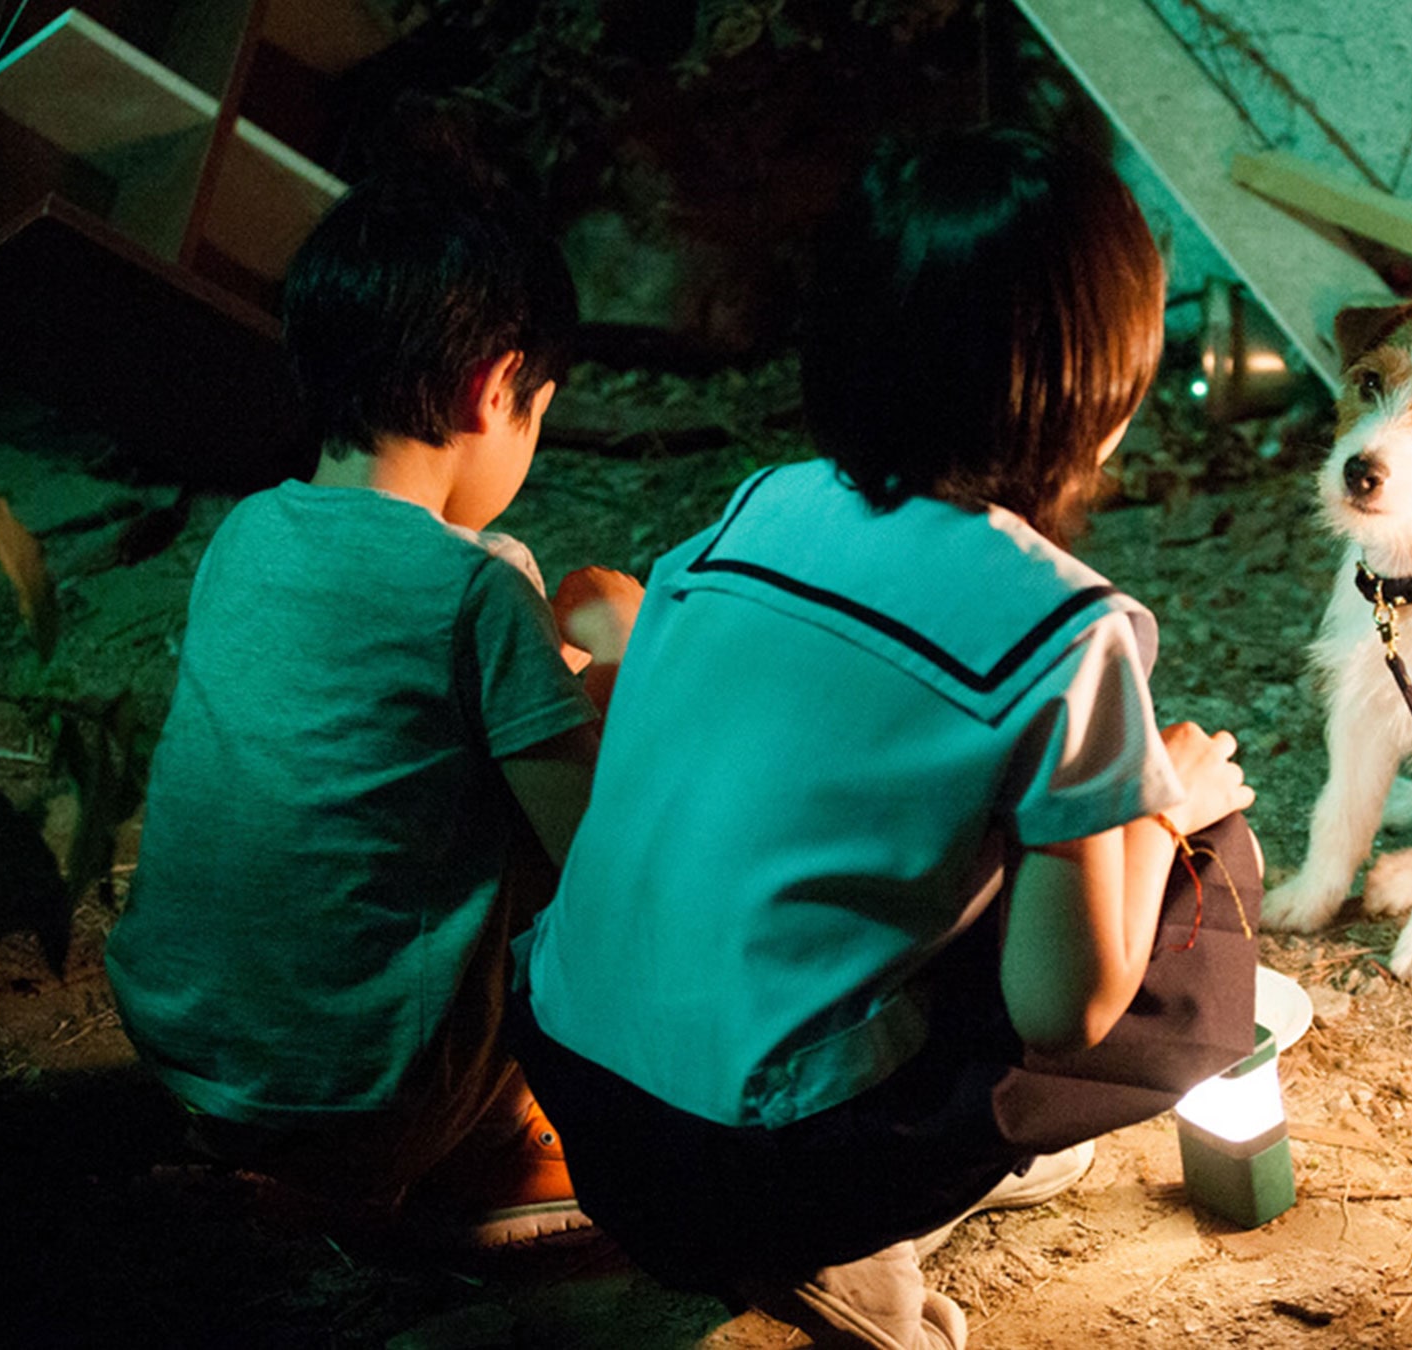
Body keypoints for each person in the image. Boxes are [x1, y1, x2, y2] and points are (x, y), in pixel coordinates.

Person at [512, 126, 1262, 1348]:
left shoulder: (754, 511)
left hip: (582, 1092)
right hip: (754, 1165)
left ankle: (853, 1195)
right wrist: (1160, 807)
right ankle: (850, 1242)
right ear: (1100, 383)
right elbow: (1067, 1012)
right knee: (1208, 868)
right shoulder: (1066, 634)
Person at [103, 168, 644, 1247]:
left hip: (186, 1058)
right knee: (594, 766)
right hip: (369, 1103)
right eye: (538, 414)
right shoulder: (477, 584)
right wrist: (630, 666)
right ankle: (501, 1144)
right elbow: (598, 856)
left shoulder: (245, 536)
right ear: (495, 388)